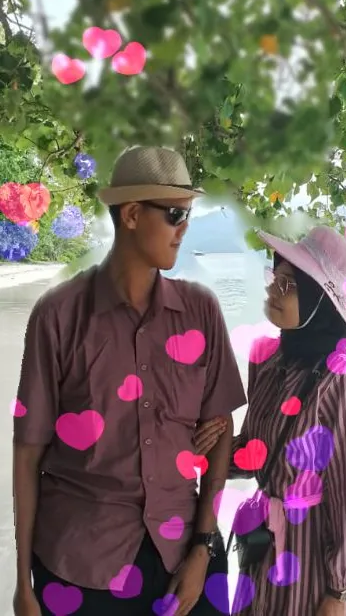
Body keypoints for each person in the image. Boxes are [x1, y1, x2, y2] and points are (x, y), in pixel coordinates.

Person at [12, 145, 246, 616]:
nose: (184, 230)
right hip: (80, 562)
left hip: (184, 553)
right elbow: (28, 452)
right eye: (176, 215)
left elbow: (220, 432)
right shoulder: (57, 317)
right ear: (133, 215)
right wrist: (23, 585)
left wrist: (204, 546)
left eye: (188, 216)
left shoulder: (201, 311)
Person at [195, 225, 346, 616]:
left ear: (319, 300)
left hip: (310, 556)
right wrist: (202, 442)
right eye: (276, 278)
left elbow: (343, 488)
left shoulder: (338, 375)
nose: (274, 290)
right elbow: (254, 451)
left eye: (289, 285)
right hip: (261, 547)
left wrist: (337, 591)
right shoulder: (266, 359)